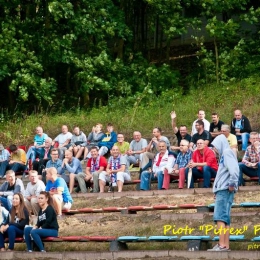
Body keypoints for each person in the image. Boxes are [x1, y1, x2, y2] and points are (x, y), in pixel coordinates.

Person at [207, 134, 239, 251]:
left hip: (224, 190)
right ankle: (225, 245)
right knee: (225, 218)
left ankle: (221, 245)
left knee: (220, 217)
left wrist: (231, 185)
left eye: (215, 146)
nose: (214, 149)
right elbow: (222, 175)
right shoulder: (224, 155)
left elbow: (234, 171)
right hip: (222, 189)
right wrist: (216, 189)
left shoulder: (226, 153)